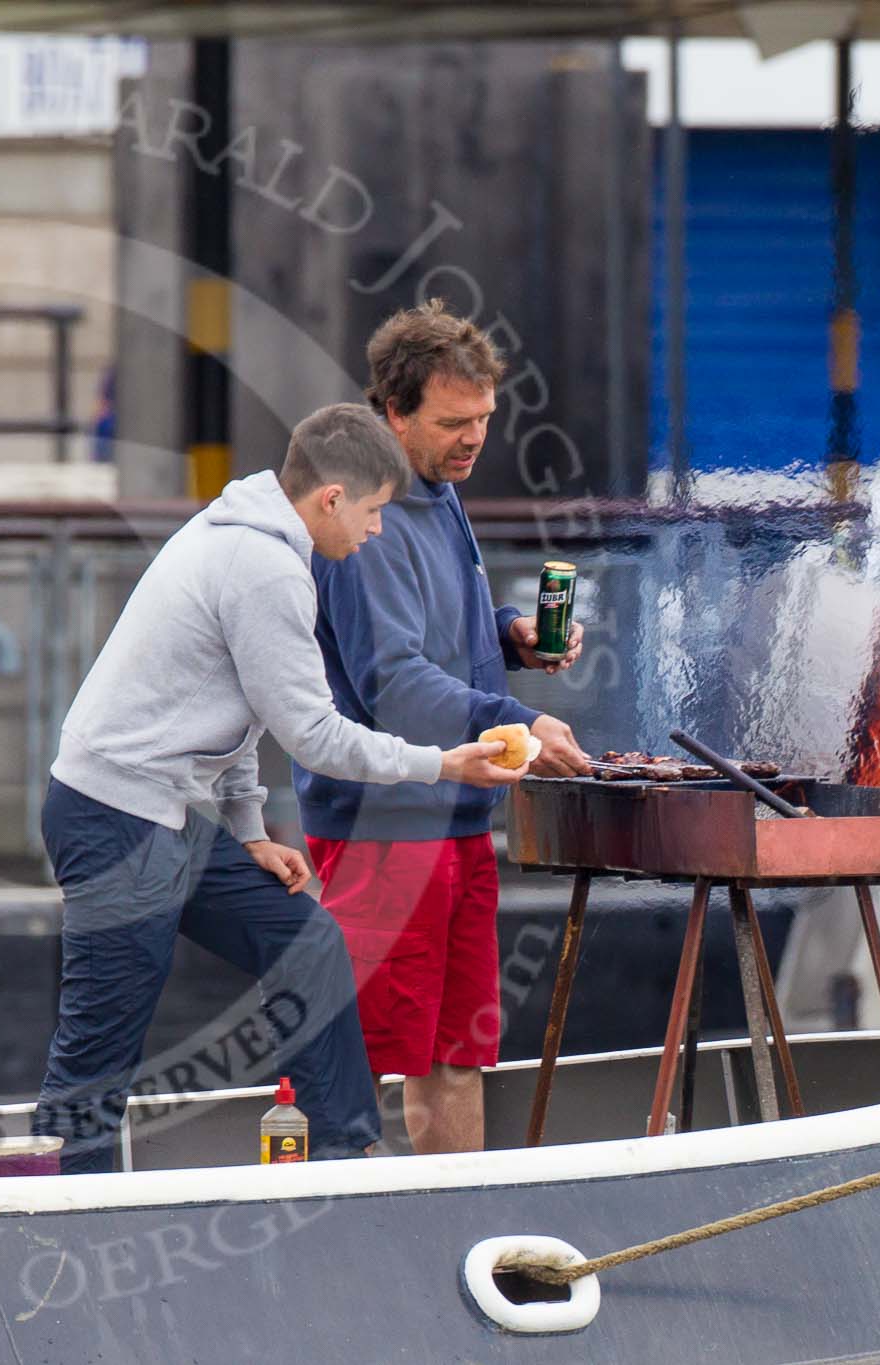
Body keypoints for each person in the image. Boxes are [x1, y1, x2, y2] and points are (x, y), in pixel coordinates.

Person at [31, 403, 528, 1174]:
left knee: (307, 941)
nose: (376, 531)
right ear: (331, 498)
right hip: (113, 819)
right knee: (99, 1052)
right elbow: (316, 736)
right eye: (372, 512)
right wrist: (443, 762)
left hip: (159, 813)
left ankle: (339, 1152)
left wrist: (249, 831)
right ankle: (55, 1224)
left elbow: (237, 703)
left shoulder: (247, 536)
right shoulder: (266, 569)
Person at [295, 302, 592, 1156]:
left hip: (456, 817)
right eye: (454, 422)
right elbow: (394, 684)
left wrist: (508, 635)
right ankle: (326, 1226)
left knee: (458, 1057)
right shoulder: (368, 518)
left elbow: (434, 633)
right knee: (357, 1057)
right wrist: (521, 718)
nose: (474, 439)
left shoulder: (439, 489)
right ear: (394, 412)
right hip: (383, 828)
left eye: (485, 419)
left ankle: (460, 1222)